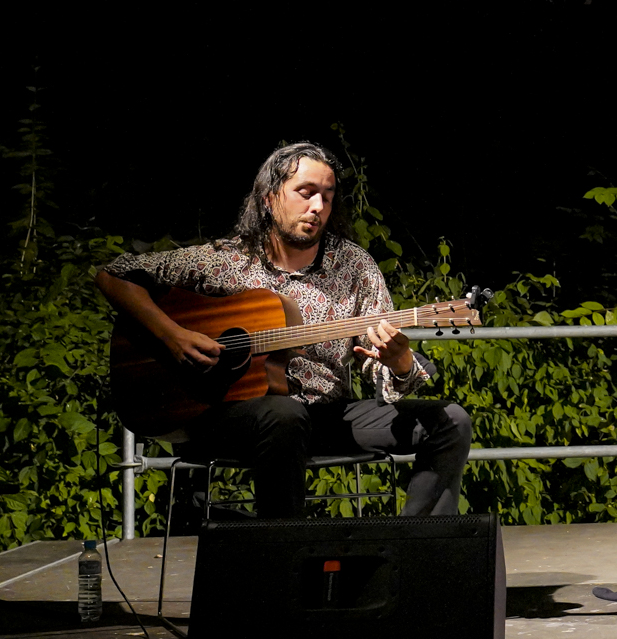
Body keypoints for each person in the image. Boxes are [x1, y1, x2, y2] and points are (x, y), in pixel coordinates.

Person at [96, 141, 475, 523]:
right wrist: (172, 335)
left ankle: (417, 541)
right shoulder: (225, 260)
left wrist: (399, 361)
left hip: (327, 417)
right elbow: (114, 275)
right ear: (268, 198)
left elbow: (373, 360)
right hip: (231, 418)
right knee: (284, 414)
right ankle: (284, 549)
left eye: (327, 196)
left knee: (450, 421)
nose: (318, 206)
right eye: (305, 193)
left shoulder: (353, 266)